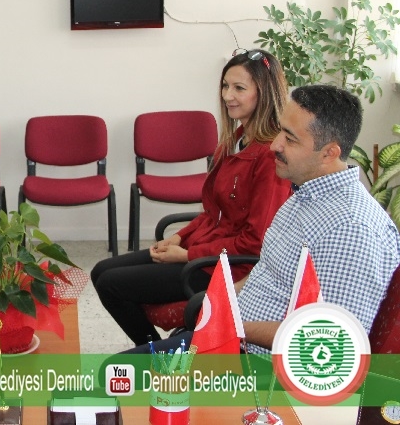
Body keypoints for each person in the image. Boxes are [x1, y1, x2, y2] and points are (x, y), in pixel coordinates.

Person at [125, 84, 400, 354]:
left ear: (329, 152)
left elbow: (330, 338)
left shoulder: (352, 229)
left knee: (117, 374)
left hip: (256, 364)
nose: (274, 145)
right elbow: (269, 269)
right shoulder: (305, 193)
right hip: (231, 334)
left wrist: (231, 327)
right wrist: (221, 299)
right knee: (118, 371)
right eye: (281, 130)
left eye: (290, 139)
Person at [92, 49, 293, 345]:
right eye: (225, 86)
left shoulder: (269, 156)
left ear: (264, 93)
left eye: (239, 88)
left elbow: (255, 242)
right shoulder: (235, 140)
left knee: (111, 284)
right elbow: (214, 214)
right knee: (101, 270)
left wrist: (187, 255)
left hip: (227, 267)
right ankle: (160, 349)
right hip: (204, 249)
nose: (227, 96)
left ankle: (159, 354)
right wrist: (179, 237)